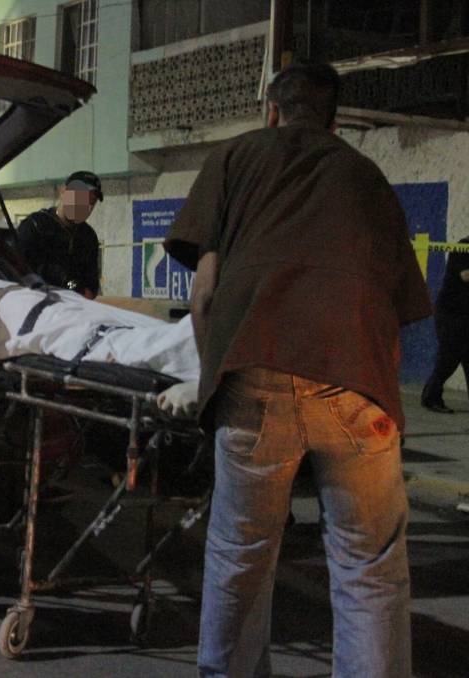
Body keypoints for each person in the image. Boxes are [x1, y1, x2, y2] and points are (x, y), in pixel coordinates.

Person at [165, 62, 431, 678]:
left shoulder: (235, 159)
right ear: (336, 124)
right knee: (369, 565)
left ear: (271, 111)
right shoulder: (366, 175)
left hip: (254, 370)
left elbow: (204, 297)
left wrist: (211, 388)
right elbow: (397, 311)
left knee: (241, 555)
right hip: (359, 382)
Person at [17, 170, 103, 299]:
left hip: (73, 307)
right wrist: (69, 283)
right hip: (35, 303)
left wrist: (81, 291)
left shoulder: (88, 237)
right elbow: (19, 271)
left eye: (92, 203)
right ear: (63, 191)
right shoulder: (35, 226)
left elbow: (91, 288)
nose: (87, 207)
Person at [421, 235, 469, 413]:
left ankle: (431, 395)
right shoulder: (464, 246)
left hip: (465, 313)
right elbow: (465, 275)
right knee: (449, 356)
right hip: (451, 312)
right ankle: (431, 397)